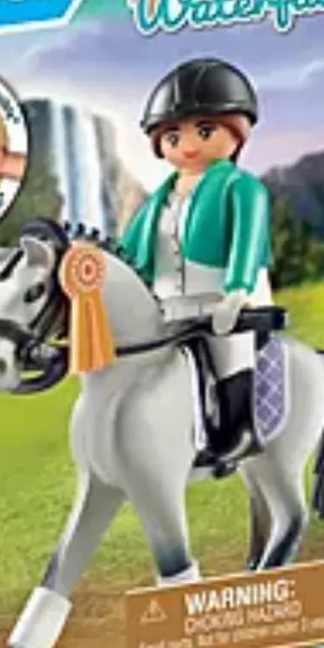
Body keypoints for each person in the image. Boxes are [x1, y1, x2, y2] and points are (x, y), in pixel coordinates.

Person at [118, 57, 271, 475]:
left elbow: (246, 242)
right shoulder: (159, 200)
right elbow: (130, 250)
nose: (187, 144)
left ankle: (240, 428)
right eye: (173, 135)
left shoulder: (242, 188)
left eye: (204, 131)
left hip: (225, 295)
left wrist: (237, 291)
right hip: (169, 302)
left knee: (226, 344)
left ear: (235, 132)